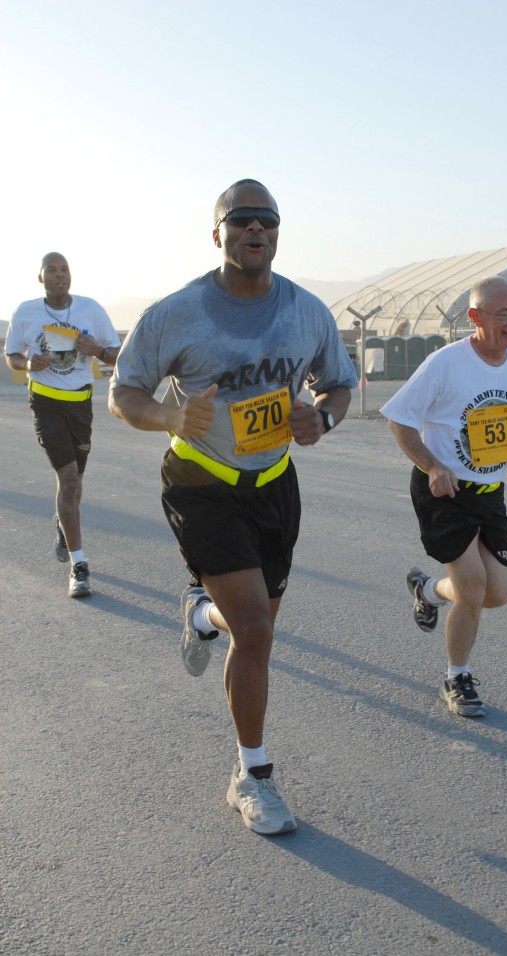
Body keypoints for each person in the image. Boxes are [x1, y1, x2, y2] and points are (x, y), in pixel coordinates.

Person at [108, 178, 358, 835]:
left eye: (268, 220)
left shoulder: (307, 312)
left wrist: (322, 421)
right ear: (216, 233)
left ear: (277, 232)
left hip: (274, 484)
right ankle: (253, 774)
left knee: (252, 626)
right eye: (242, 220)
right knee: (258, 630)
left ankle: (200, 610)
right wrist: (166, 412)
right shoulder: (177, 313)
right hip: (202, 484)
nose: (257, 230)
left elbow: (338, 385)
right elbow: (123, 391)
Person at [380, 276, 507, 718]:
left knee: (497, 594)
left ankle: (429, 591)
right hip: (444, 492)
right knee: (472, 589)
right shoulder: (444, 364)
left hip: (490, 493)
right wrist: (433, 466)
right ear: (475, 317)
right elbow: (399, 420)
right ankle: (457, 678)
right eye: (502, 314)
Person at [4, 252, 121, 598]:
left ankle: (63, 523)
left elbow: (117, 354)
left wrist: (97, 349)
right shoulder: (25, 312)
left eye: (64, 269)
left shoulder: (91, 310)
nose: (59, 275)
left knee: (76, 482)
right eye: (52, 270)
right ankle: (79, 566)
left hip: (80, 405)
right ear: (41, 278)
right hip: (45, 402)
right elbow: (11, 353)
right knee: (68, 479)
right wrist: (26, 363)